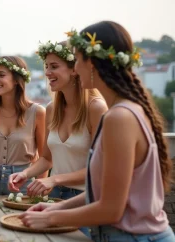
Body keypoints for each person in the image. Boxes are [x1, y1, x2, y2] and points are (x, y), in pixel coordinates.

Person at [19, 21, 175, 242]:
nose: (76, 68)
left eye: (77, 60)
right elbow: (100, 191)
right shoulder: (123, 111)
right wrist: (55, 208)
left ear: (91, 64)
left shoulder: (119, 117)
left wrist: (50, 220)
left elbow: (111, 209)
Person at [8, 42, 106, 202]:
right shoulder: (52, 109)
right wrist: (24, 174)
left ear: (74, 69)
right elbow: (47, 159)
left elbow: (99, 167)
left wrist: (54, 179)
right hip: (54, 196)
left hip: (85, 198)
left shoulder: (96, 108)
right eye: (46, 66)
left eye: (53, 66)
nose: (47, 72)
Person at [0, 56, 46, 195]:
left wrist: (40, 190)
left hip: (23, 183)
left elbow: (45, 158)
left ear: (16, 80)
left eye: (1, 75)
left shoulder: (37, 112)